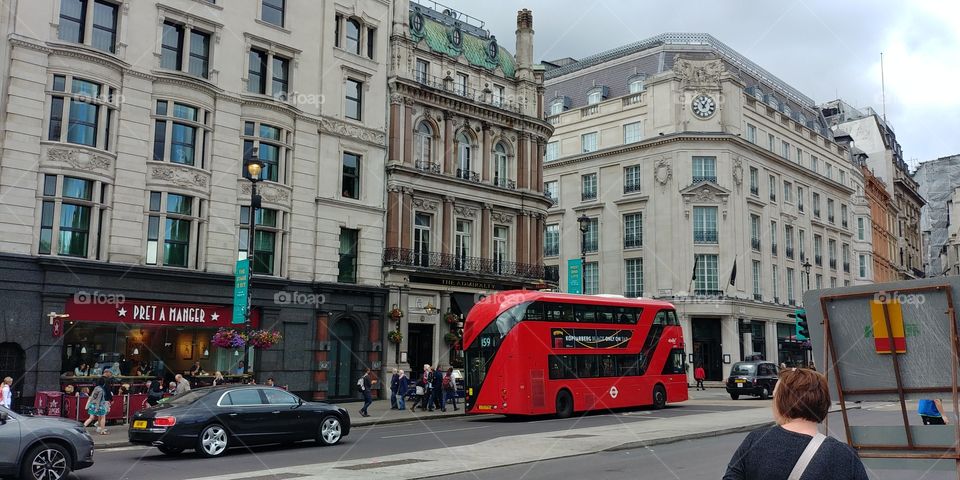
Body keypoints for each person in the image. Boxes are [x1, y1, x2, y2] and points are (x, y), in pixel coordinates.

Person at [723, 368, 868, 480]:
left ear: (782, 402)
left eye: (774, 397)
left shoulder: (754, 441)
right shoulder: (845, 455)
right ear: (823, 403)